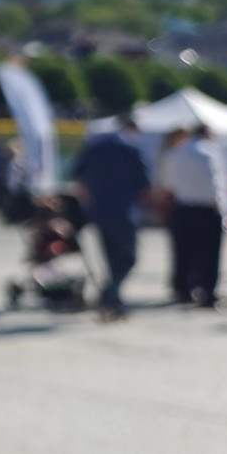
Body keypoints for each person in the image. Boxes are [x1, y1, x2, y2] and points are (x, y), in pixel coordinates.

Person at [71, 115, 152, 321]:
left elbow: (77, 177)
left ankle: (112, 298)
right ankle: (109, 295)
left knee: (110, 257)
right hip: (125, 212)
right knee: (128, 258)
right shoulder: (132, 150)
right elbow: (144, 184)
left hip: (98, 211)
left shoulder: (94, 148)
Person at [158, 125, 227, 307]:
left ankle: (182, 289)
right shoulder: (210, 152)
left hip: (181, 206)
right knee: (209, 254)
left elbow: (167, 183)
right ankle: (207, 292)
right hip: (207, 208)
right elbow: (217, 183)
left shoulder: (176, 152)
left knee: (182, 252)